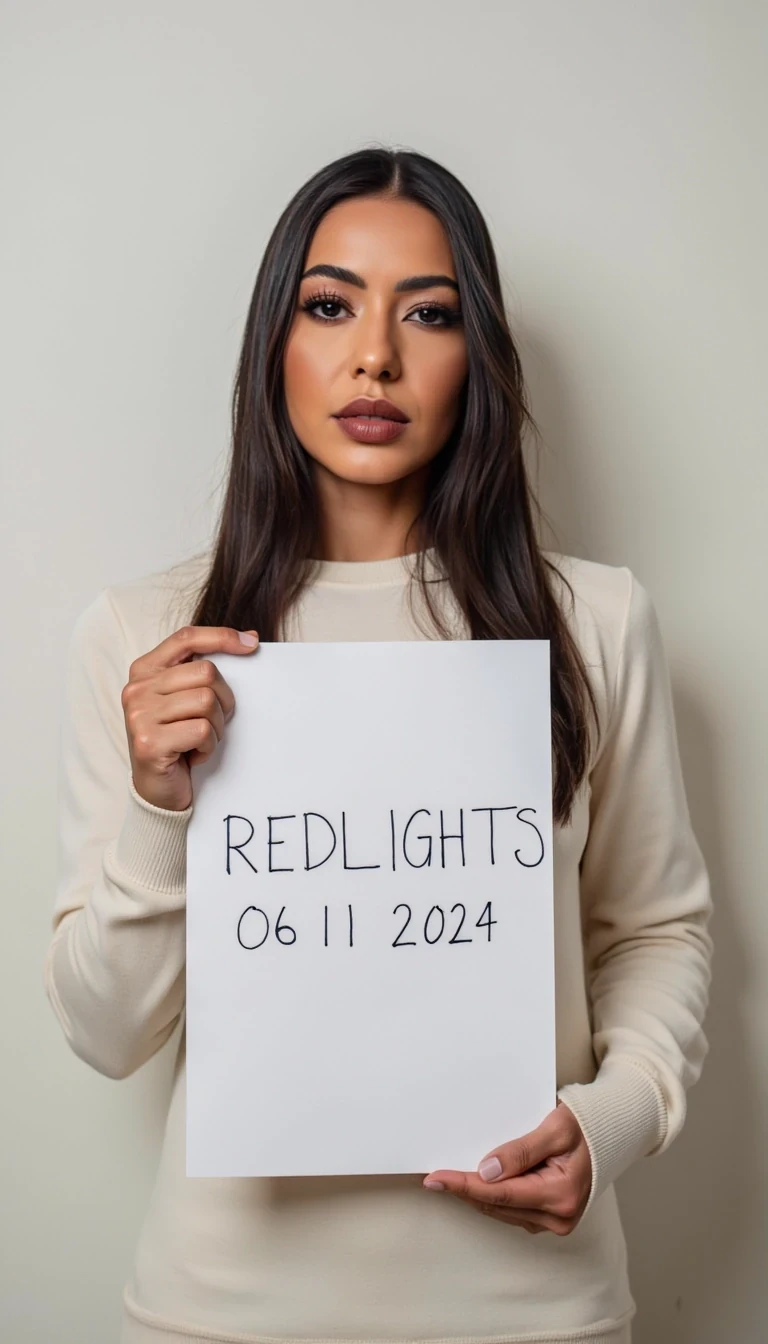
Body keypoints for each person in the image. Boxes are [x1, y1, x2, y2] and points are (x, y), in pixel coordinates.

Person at [44, 145, 713, 1344]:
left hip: (534, 1311)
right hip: (222, 1311)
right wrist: (159, 807)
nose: (376, 357)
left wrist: (609, 1124)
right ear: (275, 342)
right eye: (331, 304)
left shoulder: (596, 621)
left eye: (431, 314)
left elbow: (655, 931)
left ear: (478, 357)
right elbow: (105, 1035)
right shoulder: (147, 640)